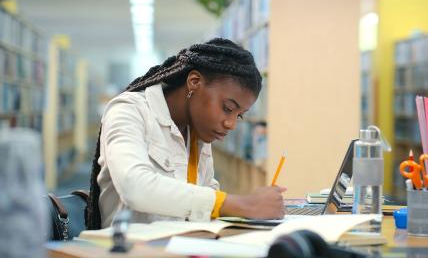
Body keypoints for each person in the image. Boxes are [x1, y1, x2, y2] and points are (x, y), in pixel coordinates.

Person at [86, 38, 286, 229]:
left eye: (239, 115)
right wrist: (243, 204)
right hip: (131, 256)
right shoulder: (129, 110)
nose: (231, 124)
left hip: (182, 249)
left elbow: (205, 196)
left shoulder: (199, 132)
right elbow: (135, 186)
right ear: (194, 82)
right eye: (227, 108)